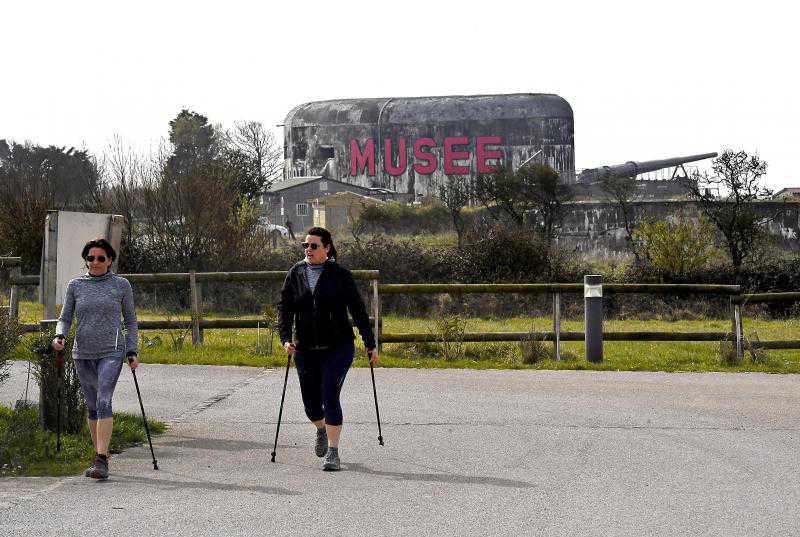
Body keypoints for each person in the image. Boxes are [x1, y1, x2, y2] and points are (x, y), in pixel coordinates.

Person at [278, 226, 377, 471]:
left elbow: (358, 310)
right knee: (311, 405)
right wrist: (285, 339)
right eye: (305, 245)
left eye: (313, 246)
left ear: (327, 248)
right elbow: (285, 309)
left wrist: (369, 343)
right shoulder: (296, 273)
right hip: (305, 348)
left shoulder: (340, 275)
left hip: (338, 346)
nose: (308, 250)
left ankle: (333, 452)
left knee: (330, 395)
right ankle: (321, 429)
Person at [53, 238, 139, 480]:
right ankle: (99, 454)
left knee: (103, 399)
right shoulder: (76, 286)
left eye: (101, 258)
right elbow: (65, 317)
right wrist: (59, 335)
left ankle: (101, 460)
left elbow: (131, 321)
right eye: (91, 258)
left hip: (112, 352)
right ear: (86, 260)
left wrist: (132, 350)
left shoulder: (121, 285)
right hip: (83, 353)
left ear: (110, 260)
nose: (95, 262)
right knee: (92, 405)